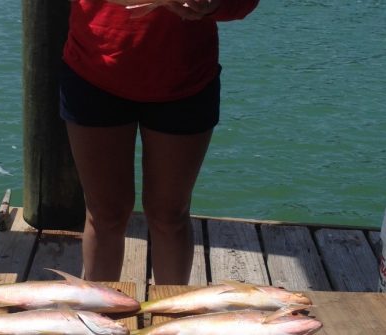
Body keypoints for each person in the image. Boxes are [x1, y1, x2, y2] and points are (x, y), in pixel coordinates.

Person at [59, 0, 259, 284]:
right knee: (105, 215)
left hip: (184, 79)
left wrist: (213, 6)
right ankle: (98, 319)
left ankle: (170, 318)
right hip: (94, 72)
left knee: (170, 216)